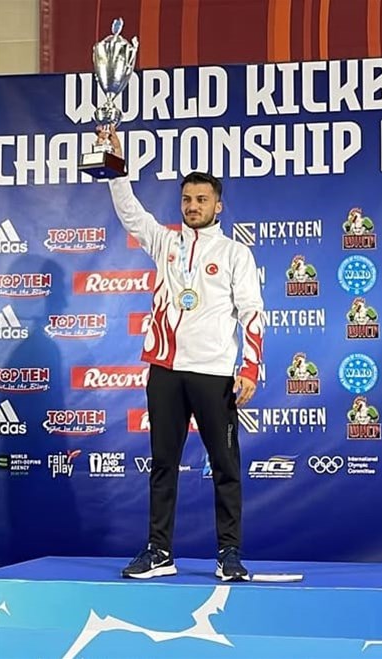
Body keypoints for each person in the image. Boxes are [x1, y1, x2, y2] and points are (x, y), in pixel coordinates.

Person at [100, 126, 264, 581]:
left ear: (218, 205)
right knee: (163, 464)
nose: (193, 206)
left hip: (214, 374)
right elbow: (130, 212)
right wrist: (116, 164)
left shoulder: (235, 254)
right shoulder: (166, 243)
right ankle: (159, 551)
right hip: (166, 371)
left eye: (202, 200)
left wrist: (249, 367)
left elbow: (252, 312)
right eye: (187, 199)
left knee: (225, 465)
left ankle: (229, 553)